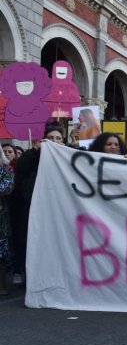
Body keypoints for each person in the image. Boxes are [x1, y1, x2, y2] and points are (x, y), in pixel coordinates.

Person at [9, 123, 65, 287]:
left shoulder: (66, 156)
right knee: (27, 239)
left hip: (56, 209)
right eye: (50, 138)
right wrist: (35, 151)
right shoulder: (31, 156)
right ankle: (23, 271)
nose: (54, 141)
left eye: (58, 139)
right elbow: (21, 167)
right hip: (31, 207)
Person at [0, 148, 14, 296]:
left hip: (1, 215)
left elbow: (5, 187)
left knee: (1, 252)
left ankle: (1, 285)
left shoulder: (6, 169)